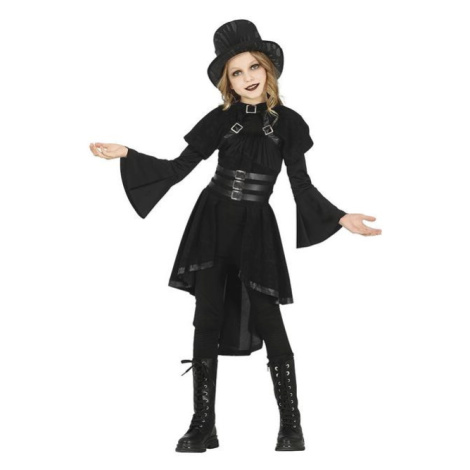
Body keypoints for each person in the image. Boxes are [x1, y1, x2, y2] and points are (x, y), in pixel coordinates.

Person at [89, 19, 382, 453]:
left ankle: (291, 424)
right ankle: (202, 424)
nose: (247, 78)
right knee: (206, 319)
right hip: (211, 223)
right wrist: (128, 154)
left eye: (253, 67)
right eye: (237, 72)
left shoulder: (289, 124)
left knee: (268, 317)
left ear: (268, 68)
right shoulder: (220, 120)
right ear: (228, 81)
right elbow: (177, 169)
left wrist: (339, 217)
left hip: (256, 229)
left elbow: (300, 186)